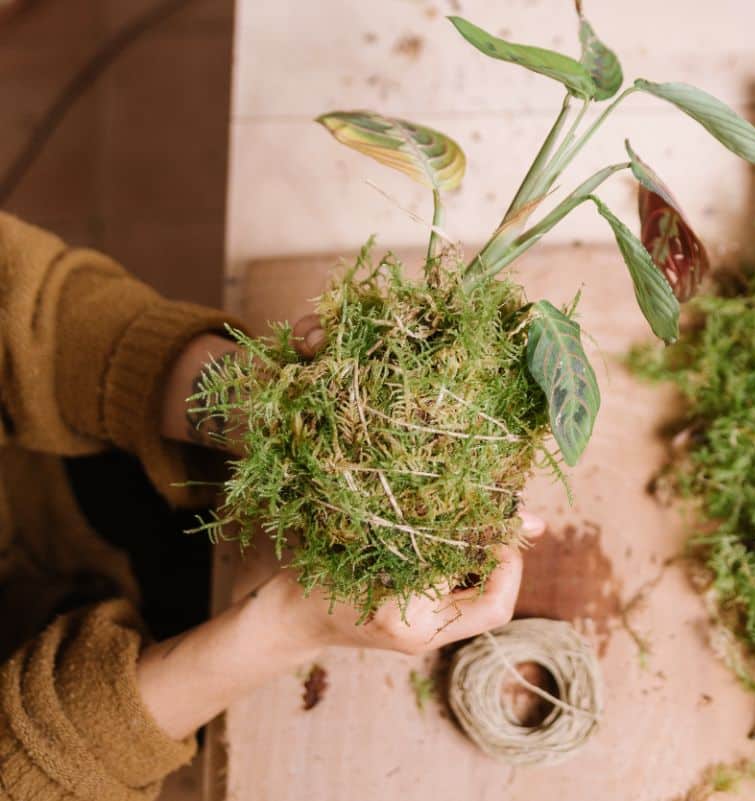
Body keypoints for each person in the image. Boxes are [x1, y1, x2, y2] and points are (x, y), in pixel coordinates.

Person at [0, 211, 542, 800]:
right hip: (100, 703)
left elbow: (20, 308)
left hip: (55, 472)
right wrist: (288, 624)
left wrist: (262, 408)